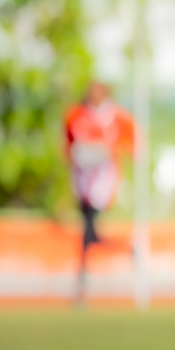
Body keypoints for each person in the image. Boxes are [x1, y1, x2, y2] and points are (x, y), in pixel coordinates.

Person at [63, 82, 135, 303]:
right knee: (89, 231)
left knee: (89, 228)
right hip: (82, 178)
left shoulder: (115, 116)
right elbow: (68, 144)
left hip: (102, 179)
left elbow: (128, 143)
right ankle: (126, 249)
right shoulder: (76, 114)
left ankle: (82, 279)